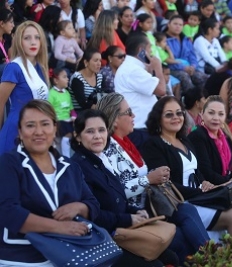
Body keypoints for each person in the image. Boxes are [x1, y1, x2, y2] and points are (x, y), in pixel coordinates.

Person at [95, 93, 210, 264]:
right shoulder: (108, 150)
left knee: (186, 210)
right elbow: (115, 192)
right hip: (132, 216)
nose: (133, 116)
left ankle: (212, 256)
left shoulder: (126, 143)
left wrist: (155, 176)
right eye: (129, 112)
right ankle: (212, 258)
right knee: (180, 237)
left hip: (149, 208)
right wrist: (148, 179)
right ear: (115, 119)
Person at [70, 109, 179, 266]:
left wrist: (135, 212)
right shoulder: (78, 167)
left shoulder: (99, 160)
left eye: (101, 130)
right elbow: (93, 214)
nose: (97, 136)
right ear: (78, 136)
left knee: (171, 255)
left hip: (119, 230)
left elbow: (116, 199)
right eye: (90, 131)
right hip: (101, 240)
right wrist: (129, 219)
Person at [0, 100, 100, 265]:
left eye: (45, 124)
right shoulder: (10, 163)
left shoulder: (70, 167)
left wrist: (79, 207)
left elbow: (93, 203)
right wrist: (58, 227)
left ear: (55, 129)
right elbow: (7, 211)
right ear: (20, 131)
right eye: (30, 125)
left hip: (67, 254)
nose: (38, 132)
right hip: (21, 258)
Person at [142, 96, 232, 237]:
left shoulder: (184, 140)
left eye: (179, 113)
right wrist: (201, 193)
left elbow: (196, 171)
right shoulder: (153, 145)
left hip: (199, 197)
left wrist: (204, 182)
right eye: (169, 114)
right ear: (158, 118)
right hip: (180, 203)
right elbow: (165, 185)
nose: (175, 118)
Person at [0, 21, 49, 156]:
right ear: (19, 42)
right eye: (27, 38)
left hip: (36, 132)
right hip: (15, 132)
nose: (33, 42)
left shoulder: (40, 68)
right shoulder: (14, 67)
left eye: (36, 37)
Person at [114, 33, 166, 150]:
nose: (151, 52)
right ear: (141, 50)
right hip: (139, 130)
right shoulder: (132, 70)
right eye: (149, 48)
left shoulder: (132, 67)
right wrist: (158, 67)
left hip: (142, 128)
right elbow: (161, 90)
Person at [165, 15, 208, 92]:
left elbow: (192, 56)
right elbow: (165, 59)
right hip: (172, 69)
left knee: (203, 77)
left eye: (180, 25)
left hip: (188, 68)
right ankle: (190, 101)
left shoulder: (186, 39)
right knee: (185, 77)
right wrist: (183, 68)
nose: (178, 27)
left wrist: (193, 66)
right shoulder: (163, 40)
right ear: (168, 24)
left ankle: (203, 99)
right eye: (175, 24)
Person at [48, 68, 76, 157]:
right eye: (64, 77)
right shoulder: (51, 94)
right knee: (67, 135)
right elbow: (49, 109)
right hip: (58, 120)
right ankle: (66, 156)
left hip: (68, 120)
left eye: (67, 77)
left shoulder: (67, 93)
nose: (67, 79)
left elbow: (71, 108)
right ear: (56, 80)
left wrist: (74, 116)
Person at [69, 49, 105, 113]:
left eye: (100, 61)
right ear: (86, 62)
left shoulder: (100, 77)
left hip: (97, 111)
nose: (99, 64)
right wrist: (102, 107)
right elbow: (83, 103)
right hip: (80, 113)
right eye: (96, 60)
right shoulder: (77, 78)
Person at [0, 9, 14, 76]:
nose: (13, 25)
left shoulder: (7, 37)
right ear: (2, 23)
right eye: (11, 22)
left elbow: (11, 58)